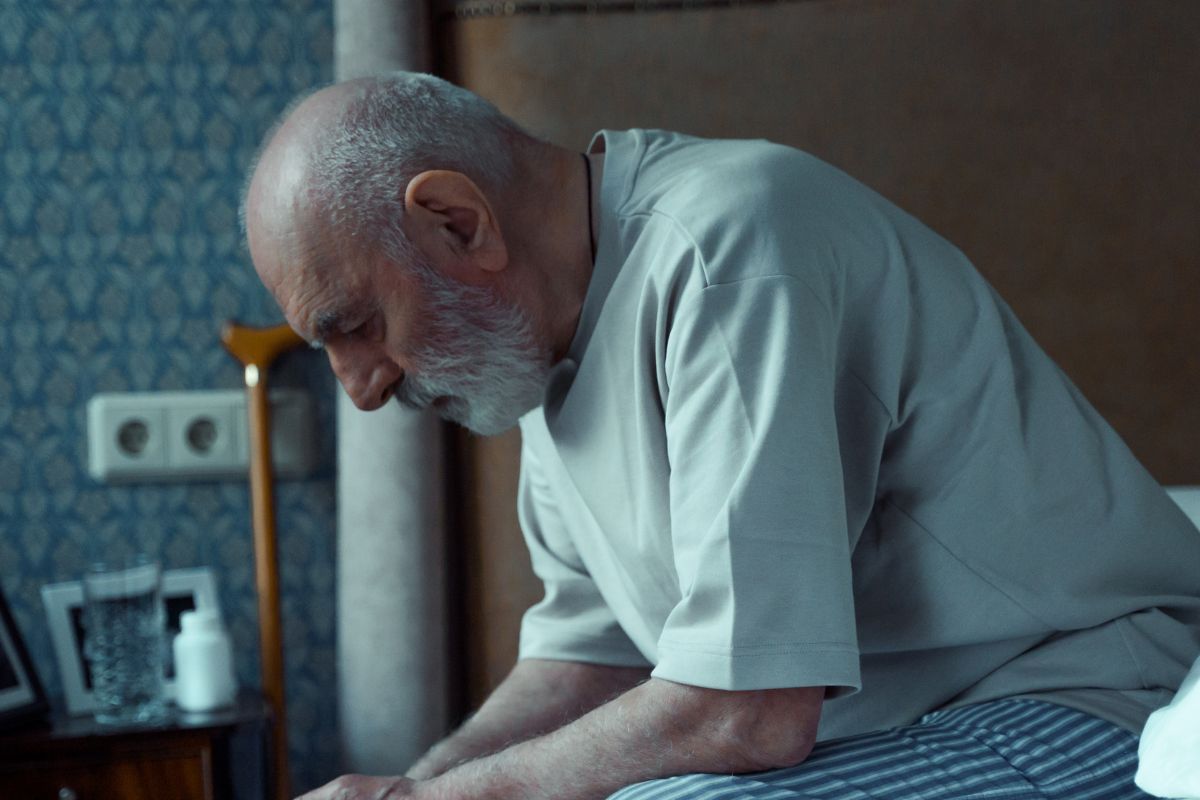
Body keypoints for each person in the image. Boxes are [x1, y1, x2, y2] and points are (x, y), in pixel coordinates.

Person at [242, 72, 1200, 800]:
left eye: (352, 326)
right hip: (902, 726)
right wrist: (419, 782)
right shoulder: (542, 345)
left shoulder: (727, 250)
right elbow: (595, 656)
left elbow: (751, 711)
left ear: (458, 222)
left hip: (1087, 698)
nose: (360, 389)